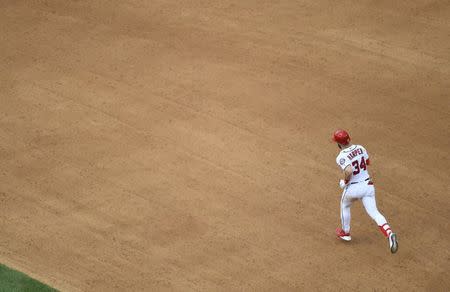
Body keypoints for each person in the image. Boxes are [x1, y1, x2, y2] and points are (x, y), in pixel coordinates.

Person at [332, 129, 398, 253]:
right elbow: (367, 162)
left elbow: (348, 171)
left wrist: (345, 182)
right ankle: (389, 233)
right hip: (368, 186)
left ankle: (345, 232)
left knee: (345, 205)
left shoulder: (341, 156)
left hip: (353, 188)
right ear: (349, 139)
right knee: (375, 213)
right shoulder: (361, 148)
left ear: (338, 144)